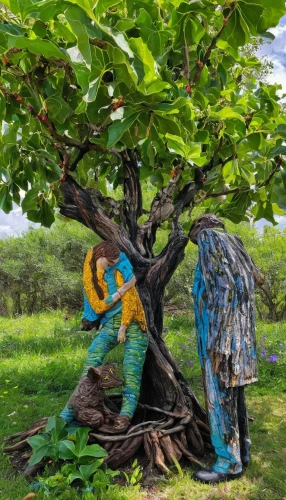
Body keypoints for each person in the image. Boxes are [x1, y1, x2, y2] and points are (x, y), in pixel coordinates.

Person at [189, 214, 264, 484]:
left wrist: (218, 342)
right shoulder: (236, 242)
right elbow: (258, 278)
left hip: (221, 342)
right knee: (236, 400)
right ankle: (242, 452)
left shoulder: (209, 239)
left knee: (219, 402)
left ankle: (227, 463)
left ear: (199, 229)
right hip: (242, 342)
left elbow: (225, 288)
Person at [60, 241, 148, 432]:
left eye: (115, 261)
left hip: (133, 323)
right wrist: (120, 291)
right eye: (109, 262)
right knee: (92, 358)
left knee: (131, 370)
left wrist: (124, 326)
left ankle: (125, 416)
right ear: (99, 257)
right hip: (110, 325)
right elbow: (99, 306)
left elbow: (131, 301)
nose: (113, 265)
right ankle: (69, 412)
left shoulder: (121, 264)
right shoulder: (90, 275)